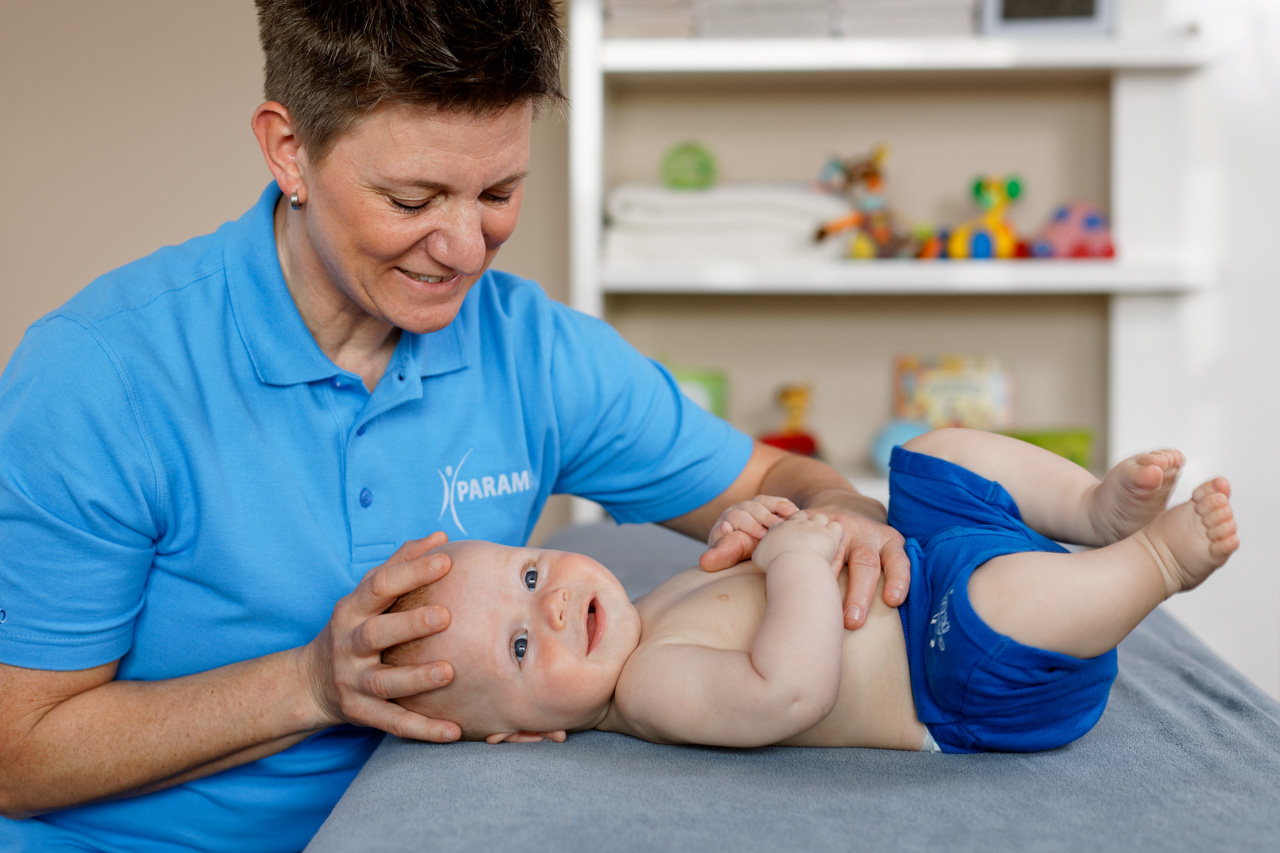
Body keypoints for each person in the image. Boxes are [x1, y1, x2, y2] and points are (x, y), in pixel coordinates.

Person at [0, 2, 905, 849]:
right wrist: (313, 684)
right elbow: (19, 754)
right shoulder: (101, 378)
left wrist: (845, 520)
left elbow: (767, 486)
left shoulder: (533, 353)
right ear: (288, 152)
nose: (466, 249)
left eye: (499, 192)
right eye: (413, 200)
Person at [383, 429, 1239, 752]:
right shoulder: (646, 687)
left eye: (531, 576)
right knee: (1002, 603)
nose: (555, 605)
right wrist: (793, 564)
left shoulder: (649, 616)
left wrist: (758, 526)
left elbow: (764, 572)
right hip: (957, 669)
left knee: (934, 450)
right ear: (525, 735)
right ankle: (1153, 566)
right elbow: (788, 688)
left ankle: (1090, 510)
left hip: (923, 557)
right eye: (523, 645)